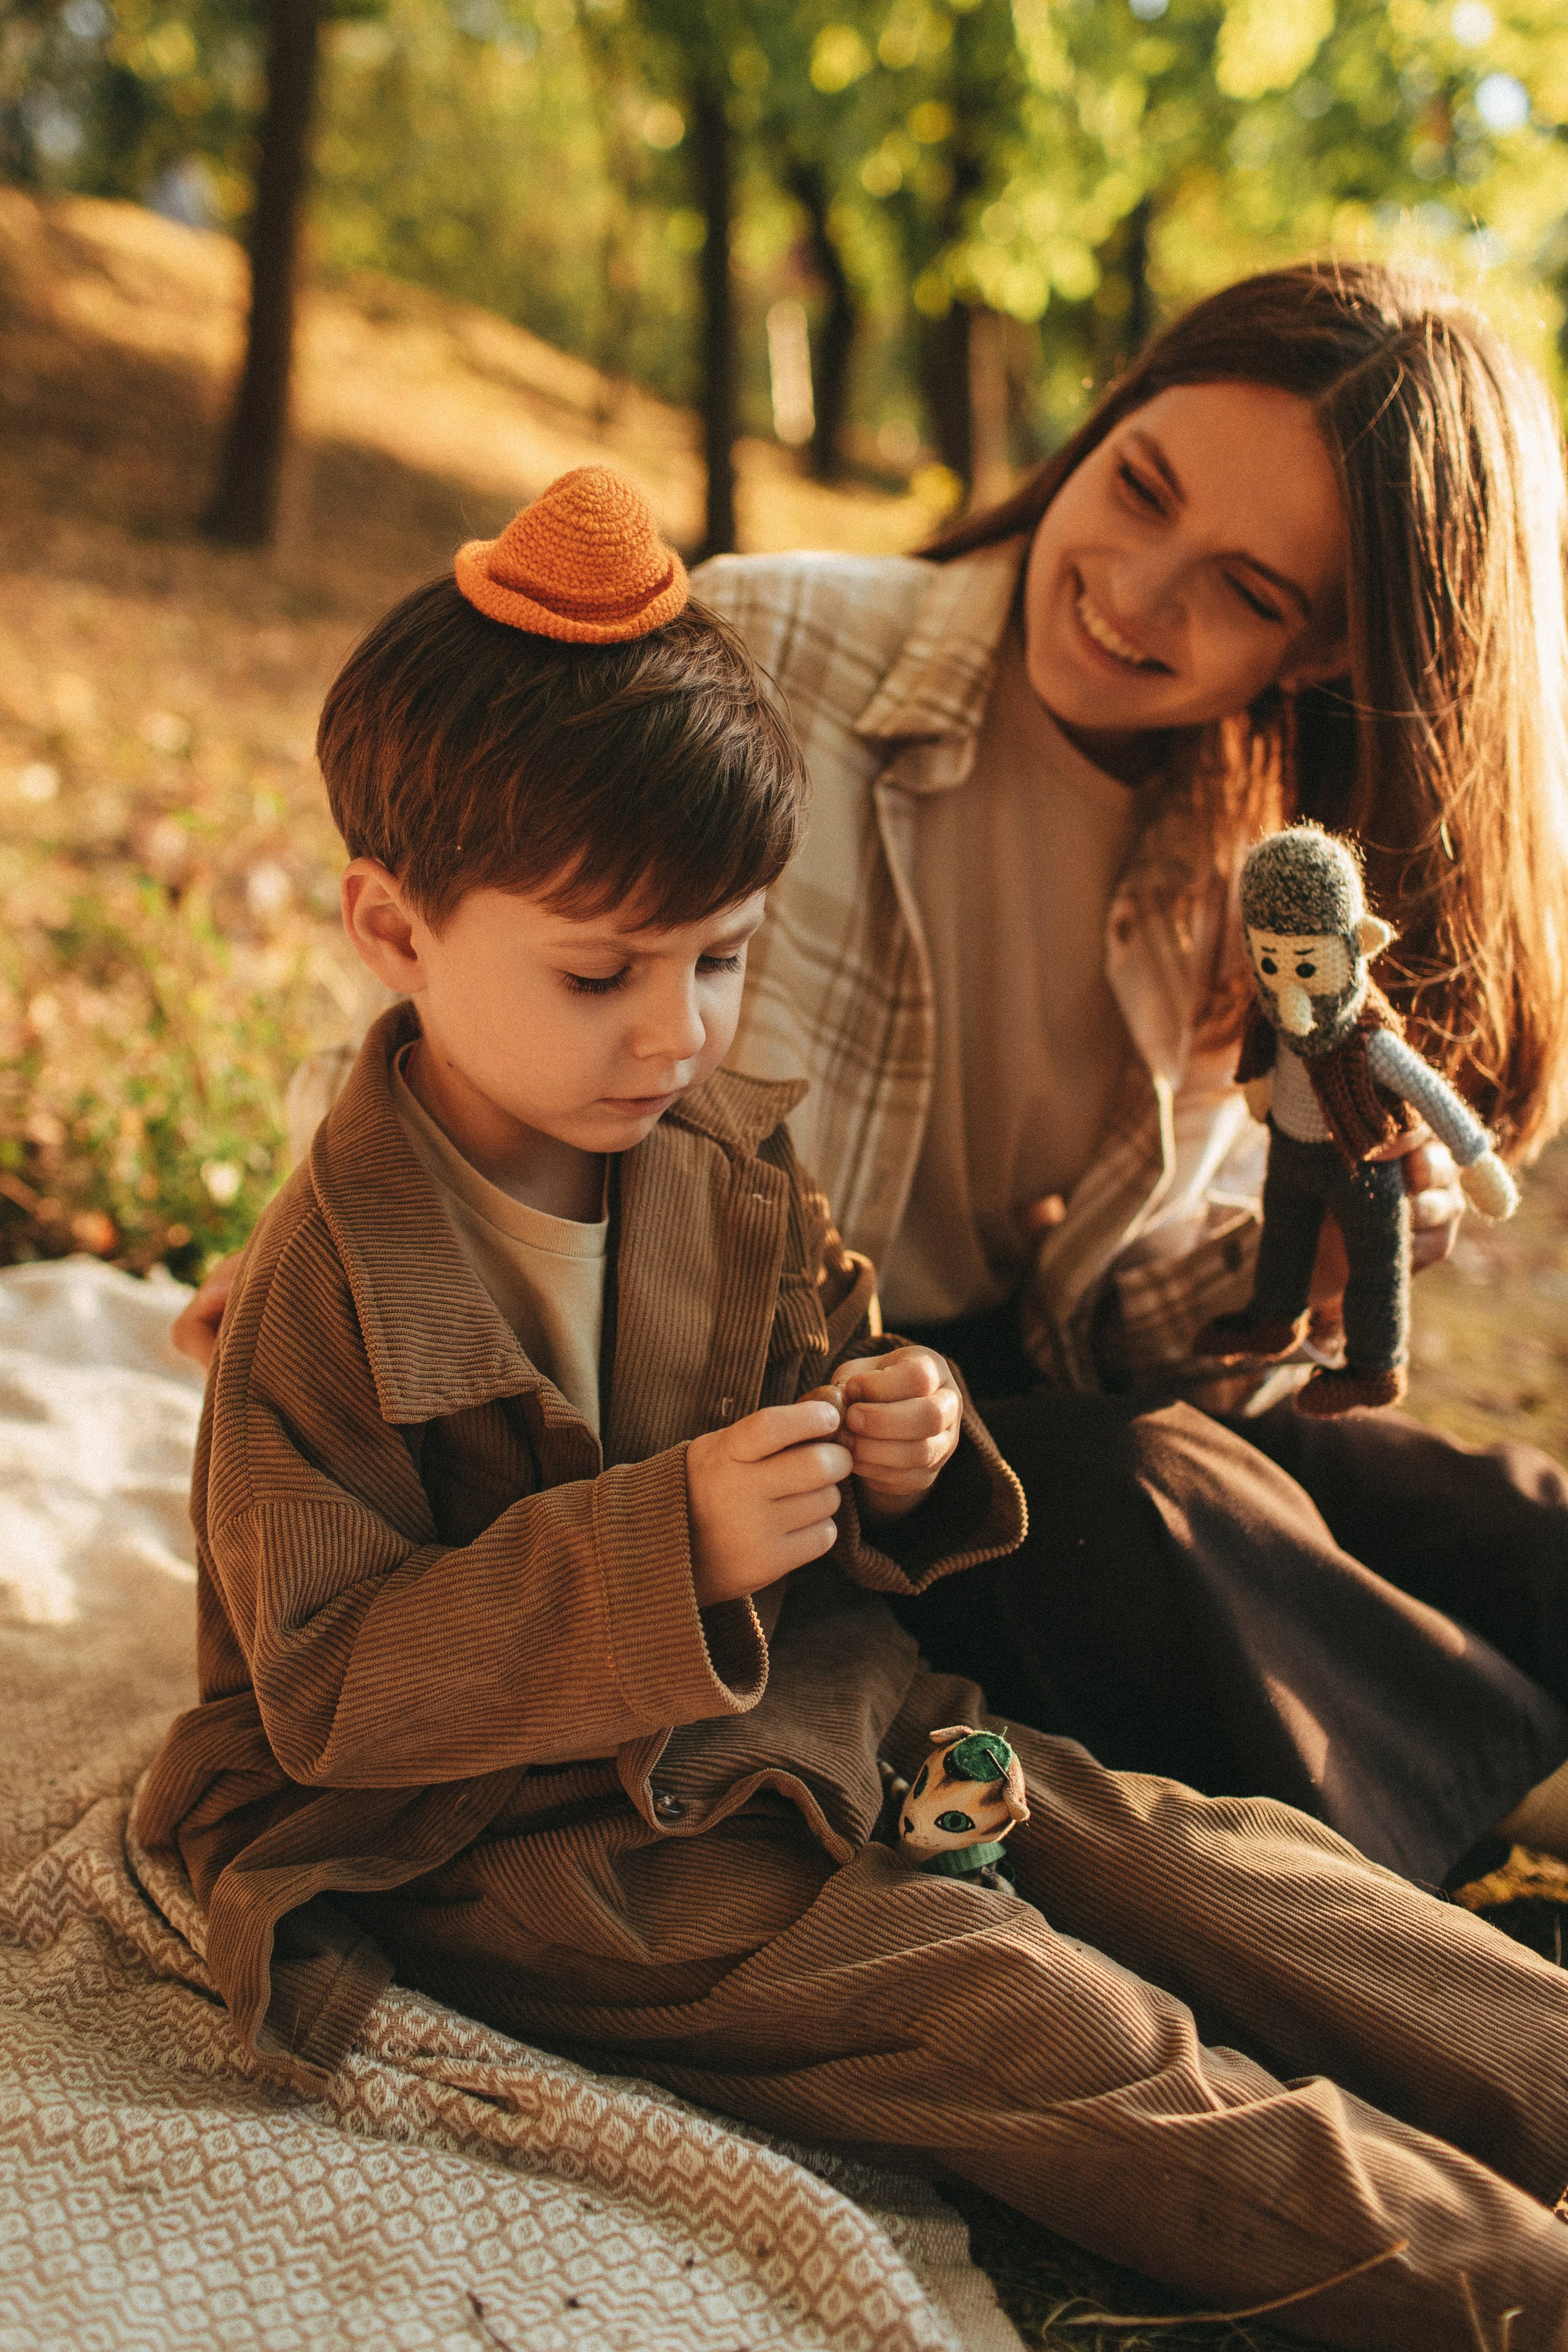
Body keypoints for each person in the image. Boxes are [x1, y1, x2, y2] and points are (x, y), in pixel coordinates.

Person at [138, 467, 1568, 2352]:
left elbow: (832, 1350)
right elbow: (319, 1691)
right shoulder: (329, 1284)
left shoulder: (717, 1150)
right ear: (393, 931)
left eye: (720, 959)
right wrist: (673, 1546)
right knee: (1043, 2025)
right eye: (600, 974)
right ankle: (1511, 2291)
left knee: (1192, 1866)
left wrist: (903, 1431)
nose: (678, 1031)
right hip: (540, 1852)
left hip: (831, 1719)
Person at [173, 262, 1568, 1893]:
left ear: (1331, 651)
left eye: (1248, 591)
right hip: (795, 1437)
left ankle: (1492, 1758)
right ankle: (1477, 1852)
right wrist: (313, 1249)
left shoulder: (1247, 871)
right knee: (1142, 1500)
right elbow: (492, 966)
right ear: (1099, 428)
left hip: (992, 1389)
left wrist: (1295, 1281)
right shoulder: (772, 651)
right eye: (1138, 486)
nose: (1134, 586)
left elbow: (1101, 1332)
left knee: (1491, 1509)